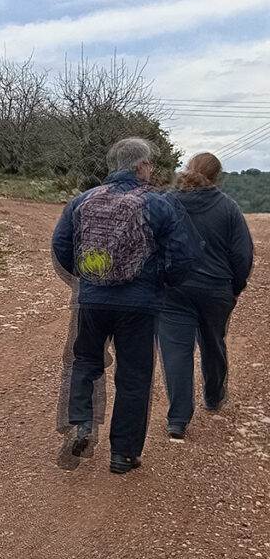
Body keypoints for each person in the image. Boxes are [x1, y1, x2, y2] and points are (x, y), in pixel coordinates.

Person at [52, 138, 199, 474]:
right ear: (141, 166)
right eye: (150, 165)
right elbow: (184, 256)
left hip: (92, 300)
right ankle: (123, 455)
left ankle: (82, 424)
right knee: (133, 377)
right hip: (139, 304)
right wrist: (159, 281)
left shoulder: (82, 200)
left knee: (85, 362)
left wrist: (88, 276)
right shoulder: (158, 204)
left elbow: (61, 245)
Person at [158, 153, 253, 439]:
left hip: (172, 290)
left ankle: (177, 420)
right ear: (217, 177)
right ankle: (213, 396)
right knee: (213, 342)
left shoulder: (165, 203)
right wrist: (234, 288)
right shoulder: (228, 208)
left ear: (187, 170)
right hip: (216, 290)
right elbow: (242, 255)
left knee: (175, 351)